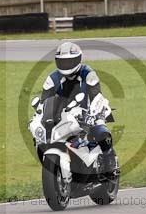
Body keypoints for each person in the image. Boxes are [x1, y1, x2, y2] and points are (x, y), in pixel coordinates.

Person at [41, 41, 117, 172]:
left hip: (89, 110)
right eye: (63, 62)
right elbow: (45, 101)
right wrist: (39, 115)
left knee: (101, 130)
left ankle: (110, 163)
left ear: (78, 59)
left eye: (70, 61)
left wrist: (93, 114)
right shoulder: (52, 78)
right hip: (64, 115)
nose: (66, 65)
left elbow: (96, 95)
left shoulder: (88, 73)